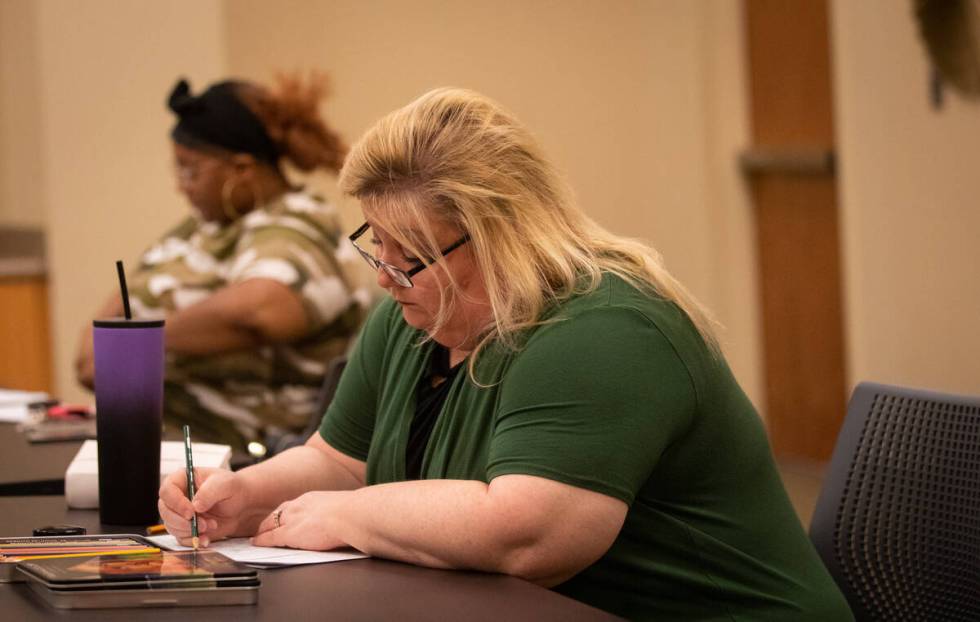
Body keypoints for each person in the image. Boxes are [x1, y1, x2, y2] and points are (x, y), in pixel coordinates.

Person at [158, 87, 852, 620]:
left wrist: (346, 516)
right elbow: (341, 458)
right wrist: (247, 496)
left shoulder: (605, 329)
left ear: (502, 238)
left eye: (415, 256)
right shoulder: (410, 312)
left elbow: (528, 539)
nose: (385, 276)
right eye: (378, 244)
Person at [75, 75, 365, 453]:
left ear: (241, 170)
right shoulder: (202, 228)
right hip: (158, 440)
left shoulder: (299, 225)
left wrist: (135, 347)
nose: (181, 185)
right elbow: (98, 345)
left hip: (235, 454)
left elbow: (262, 309)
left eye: (191, 169)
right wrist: (111, 350)